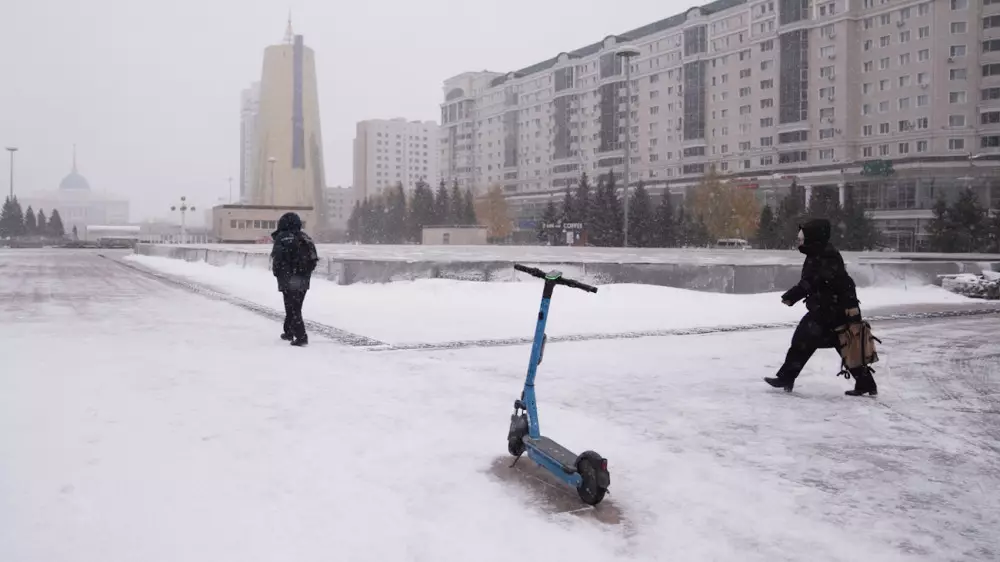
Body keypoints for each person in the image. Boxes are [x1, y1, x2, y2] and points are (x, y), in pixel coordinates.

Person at [764, 218, 879, 396]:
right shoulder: (818, 253)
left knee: (808, 342)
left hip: (831, 311)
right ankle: (865, 383)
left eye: (802, 238)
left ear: (813, 237)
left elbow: (814, 281)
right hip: (826, 310)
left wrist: (792, 296)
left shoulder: (826, 255)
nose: (799, 242)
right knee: (836, 346)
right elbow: (813, 281)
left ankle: (787, 377)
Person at [270, 212, 319, 347]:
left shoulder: (283, 238)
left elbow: (277, 259)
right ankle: (289, 331)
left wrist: (279, 273)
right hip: (303, 279)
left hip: (288, 278)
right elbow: (314, 258)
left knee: (292, 308)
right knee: (295, 306)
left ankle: (301, 336)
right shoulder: (305, 238)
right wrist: (303, 273)